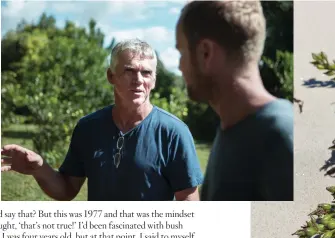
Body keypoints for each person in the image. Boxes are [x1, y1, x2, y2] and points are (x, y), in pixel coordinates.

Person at [1, 39, 204, 201]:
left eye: (146, 72)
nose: (139, 79)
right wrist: (40, 168)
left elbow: (188, 201)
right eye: (129, 71)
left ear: (154, 80)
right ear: (110, 76)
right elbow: (67, 190)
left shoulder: (173, 132)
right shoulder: (88, 128)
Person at [175, 0, 294, 201]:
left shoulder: (283, 137)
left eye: (181, 52)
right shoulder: (232, 128)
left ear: (206, 53)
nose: (179, 66)